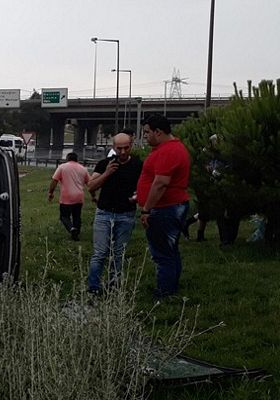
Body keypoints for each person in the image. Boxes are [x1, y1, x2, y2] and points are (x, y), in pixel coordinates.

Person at [137, 114, 191, 297]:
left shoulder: (168, 151)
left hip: (165, 208)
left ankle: (165, 292)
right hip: (171, 205)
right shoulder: (172, 148)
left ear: (158, 132)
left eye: (146, 132)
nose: (145, 136)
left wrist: (146, 209)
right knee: (171, 250)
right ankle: (172, 287)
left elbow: (160, 183)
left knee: (162, 254)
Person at [86, 133, 142, 294]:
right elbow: (91, 186)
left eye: (126, 148)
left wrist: (138, 196)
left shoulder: (138, 165)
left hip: (126, 214)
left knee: (119, 253)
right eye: (119, 148)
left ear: (131, 146)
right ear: (113, 148)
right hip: (104, 213)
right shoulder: (105, 164)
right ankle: (94, 287)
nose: (123, 152)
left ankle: (114, 286)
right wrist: (107, 173)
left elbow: (144, 185)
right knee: (100, 253)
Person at [48, 152, 89, 241]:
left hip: (67, 197)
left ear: (67, 159)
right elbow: (90, 183)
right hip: (79, 196)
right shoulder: (83, 169)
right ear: (77, 159)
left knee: (64, 216)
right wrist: (93, 195)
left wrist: (51, 193)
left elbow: (54, 181)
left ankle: (71, 229)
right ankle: (76, 234)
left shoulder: (62, 167)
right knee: (77, 216)